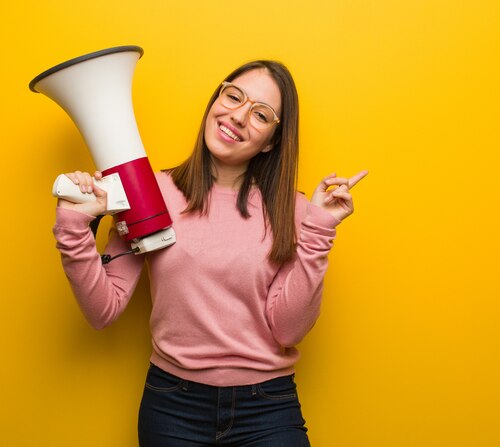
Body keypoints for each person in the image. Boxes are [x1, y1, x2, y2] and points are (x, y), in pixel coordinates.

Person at [53, 59, 367, 446]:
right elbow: (103, 310)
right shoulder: (148, 194)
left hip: (267, 407)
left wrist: (319, 230)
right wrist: (73, 227)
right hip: (172, 408)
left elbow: (289, 329)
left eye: (260, 115)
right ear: (215, 101)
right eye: (233, 96)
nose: (237, 116)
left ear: (271, 140)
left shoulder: (296, 211)